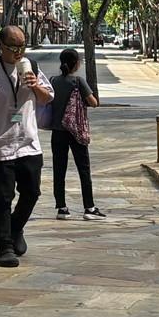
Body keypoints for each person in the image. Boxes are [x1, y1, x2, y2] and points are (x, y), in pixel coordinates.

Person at [0, 25, 54, 266]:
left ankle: (15, 229)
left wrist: (35, 86)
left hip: (28, 142)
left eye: (22, 47)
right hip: (0, 144)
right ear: (0, 46)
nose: (18, 52)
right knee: (4, 196)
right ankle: (4, 247)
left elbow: (48, 98)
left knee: (32, 192)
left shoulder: (31, 67)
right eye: (13, 48)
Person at [49, 47, 104, 220]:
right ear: (77, 64)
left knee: (59, 170)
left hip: (57, 132)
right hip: (76, 132)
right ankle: (89, 207)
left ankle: (62, 208)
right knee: (84, 169)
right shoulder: (78, 81)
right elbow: (93, 102)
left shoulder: (53, 81)